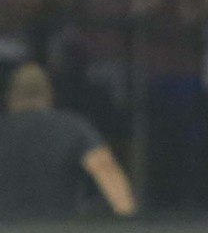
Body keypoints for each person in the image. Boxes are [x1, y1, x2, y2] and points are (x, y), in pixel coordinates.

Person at [0, 62, 136, 218]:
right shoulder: (74, 128)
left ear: (10, 95)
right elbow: (106, 171)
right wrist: (128, 218)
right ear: (49, 94)